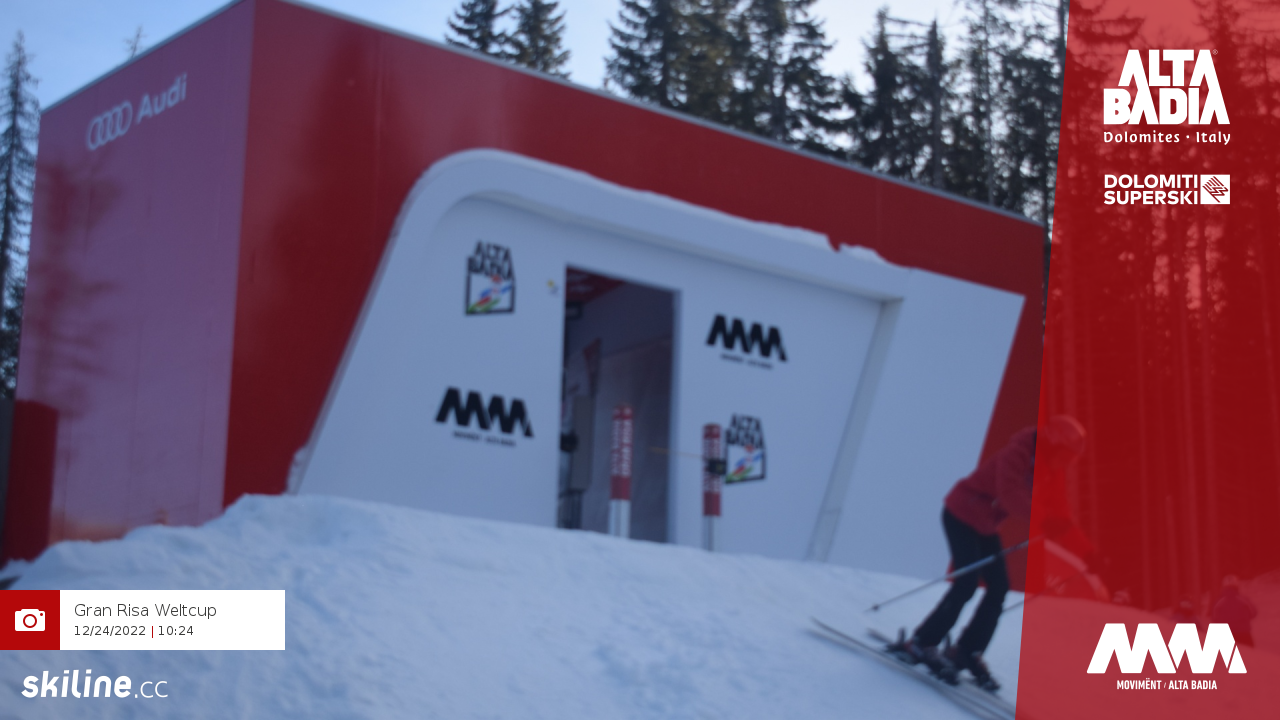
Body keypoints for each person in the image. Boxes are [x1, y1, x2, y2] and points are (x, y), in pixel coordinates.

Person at [887, 415, 1086, 691]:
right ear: (1053, 444)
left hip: (985, 525)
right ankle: (922, 642)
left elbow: (1062, 513)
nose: (1065, 463)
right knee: (967, 583)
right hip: (961, 514)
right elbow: (1009, 493)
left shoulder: (1053, 470)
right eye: (1065, 455)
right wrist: (1043, 519)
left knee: (999, 587)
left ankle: (966, 650)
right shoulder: (1019, 452)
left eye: (1070, 459)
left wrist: (1089, 554)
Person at [1212, 575, 1257, 647]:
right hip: (1243, 633)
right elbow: (1253, 613)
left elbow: (1214, 617)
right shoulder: (1244, 599)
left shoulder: (1219, 601)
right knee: (1249, 652)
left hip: (1226, 634)